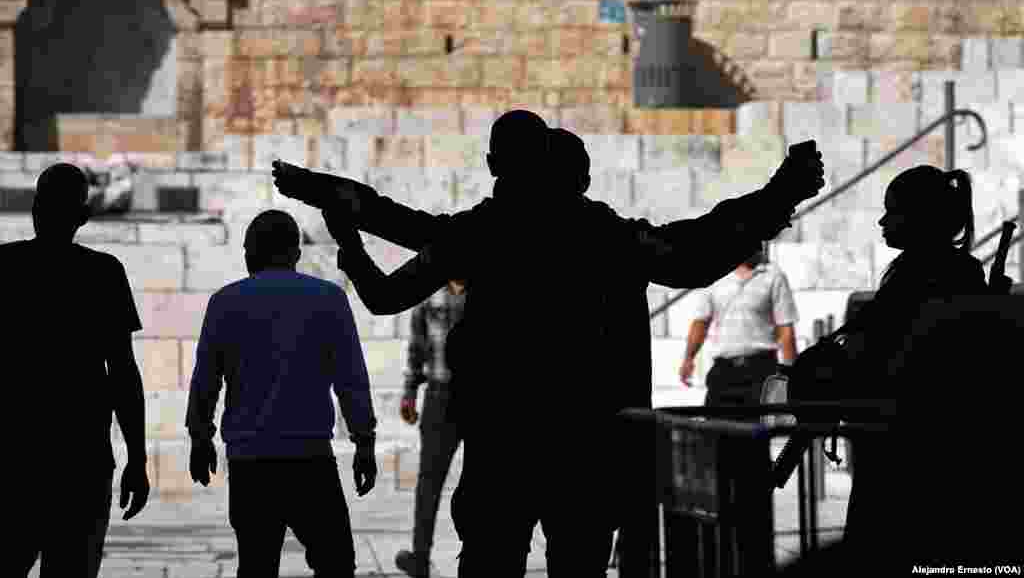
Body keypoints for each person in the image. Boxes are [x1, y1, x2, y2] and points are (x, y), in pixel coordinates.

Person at [301, 115, 824, 577]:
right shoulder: (602, 234)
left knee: (491, 557)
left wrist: (349, 223)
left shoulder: (485, 230)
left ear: (496, 163)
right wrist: (777, 196)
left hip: (505, 440)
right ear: (576, 176)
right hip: (584, 444)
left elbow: (400, 259)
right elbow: (688, 253)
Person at [788, 165, 989, 569]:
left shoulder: (927, 276)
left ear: (920, 218)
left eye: (892, 211)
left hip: (911, 449)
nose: (882, 221)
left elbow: (889, 352)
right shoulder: (932, 272)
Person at [185, 209, 378, 578]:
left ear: (252, 251)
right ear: (296, 252)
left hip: (250, 463)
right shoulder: (328, 300)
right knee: (336, 563)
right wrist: (364, 440)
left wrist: (200, 436)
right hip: (310, 460)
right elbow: (351, 377)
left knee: (256, 565)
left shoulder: (226, 302)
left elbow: (206, 379)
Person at [7, 162, 149, 578]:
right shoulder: (103, 273)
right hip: (81, 458)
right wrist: (137, 458)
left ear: (34, 208)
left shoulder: (5, 267)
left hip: (14, 455)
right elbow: (122, 371)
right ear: (83, 217)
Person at [394, 279, 467, 578]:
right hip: (440, 395)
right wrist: (410, 392)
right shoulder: (429, 292)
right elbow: (417, 344)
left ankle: (478, 552)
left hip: (483, 397)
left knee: (484, 481)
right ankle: (420, 556)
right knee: (429, 481)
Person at [679, 244, 799, 410]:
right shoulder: (715, 276)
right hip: (724, 372)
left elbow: (785, 329)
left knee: (757, 432)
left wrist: (790, 375)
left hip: (761, 371)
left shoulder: (774, 276)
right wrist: (688, 358)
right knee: (716, 430)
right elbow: (701, 322)